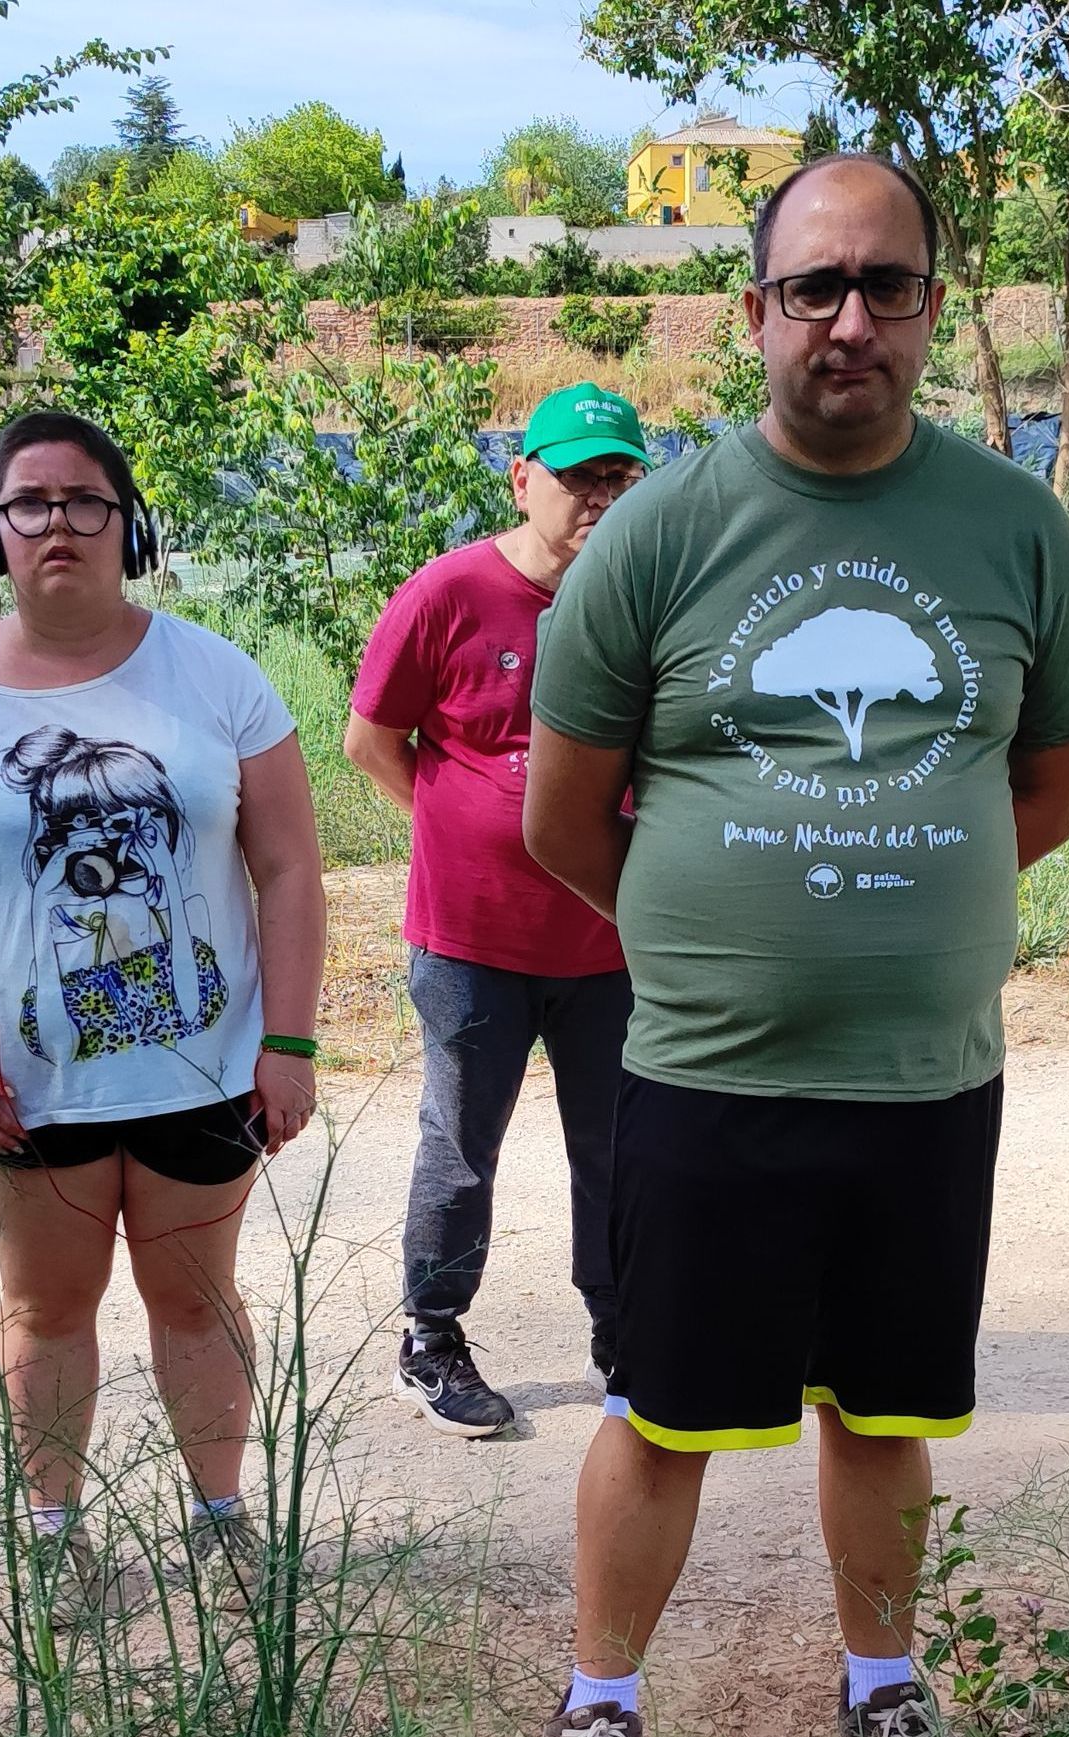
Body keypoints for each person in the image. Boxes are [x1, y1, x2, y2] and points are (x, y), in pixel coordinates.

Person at [523, 156, 1069, 1737]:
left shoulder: (1015, 527)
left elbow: (1050, 785)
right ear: (757, 310)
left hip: (926, 1079)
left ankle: (884, 1689)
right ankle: (599, 1710)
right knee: (662, 1408)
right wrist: (724, 937)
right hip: (708, 1077)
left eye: (889, 285)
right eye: (815, 288)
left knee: (887, 1406)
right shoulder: (662, 529)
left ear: (934, 303)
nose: (852, 321)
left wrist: (895, 901)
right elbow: (565, 817)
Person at [0, 408, 327, 1622]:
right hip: (21, 1088)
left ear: (132, 526)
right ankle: (53, 1538)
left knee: (198, 1300)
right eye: (29, 502)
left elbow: (288, 868)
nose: (57, 523)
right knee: (47, 1306)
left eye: (85, 500)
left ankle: (222, 1520)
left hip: (206, 1072)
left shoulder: (217, 676)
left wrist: (288, 1039)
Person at [344, 386, 650, 1438]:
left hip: (607, 941)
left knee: (616, 1146)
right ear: (523, 479)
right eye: (579, 476)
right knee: (462, 1144)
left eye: (620, 476)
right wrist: (459, 828)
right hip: (472, 943)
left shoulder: (641, 598)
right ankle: (431, 1339)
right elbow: (371, 742)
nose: (600, 496)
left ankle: (623, 1333)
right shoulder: (448, 593)